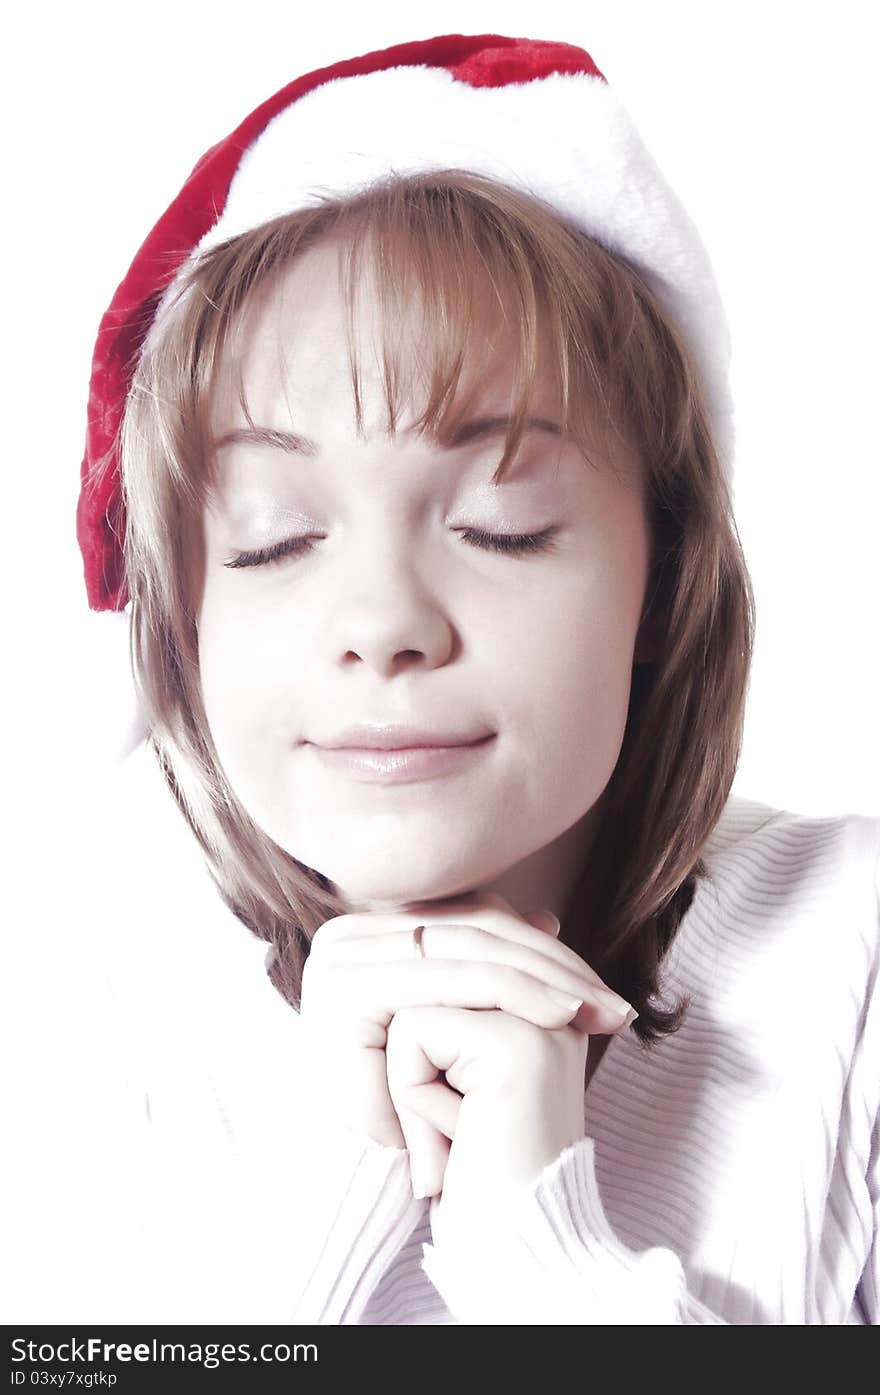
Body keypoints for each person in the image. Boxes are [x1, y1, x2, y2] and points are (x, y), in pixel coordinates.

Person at [74, 32, 879, 1324]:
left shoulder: (852, 962)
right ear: (188, 620)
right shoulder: (81, 1017)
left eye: (501, 523)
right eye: (275, 536)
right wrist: (327, 1202)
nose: (382, 623)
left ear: (662, 575)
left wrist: (537, 1249)